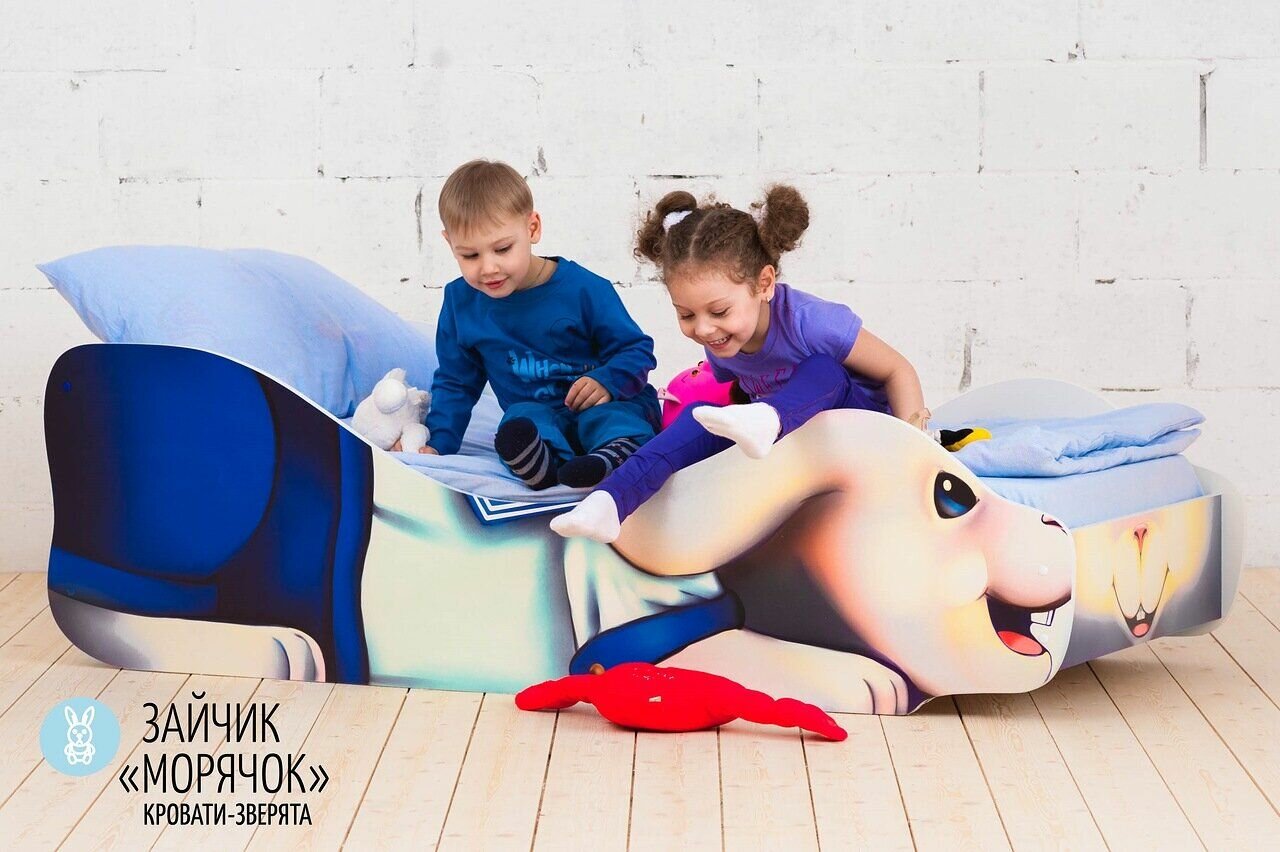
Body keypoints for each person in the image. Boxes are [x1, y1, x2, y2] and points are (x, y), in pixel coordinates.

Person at [551, 185, 930, 541]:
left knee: (823, 369)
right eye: (686, 315)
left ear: (764, 284)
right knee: (698, 416)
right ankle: (610, 502)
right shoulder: (722, 343)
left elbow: (898, 370)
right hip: (796, 448)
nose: (703, 329)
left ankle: (769, 418)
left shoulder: (811, 322)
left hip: (861, 431)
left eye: (719, 311)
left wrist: (915, 451)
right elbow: (734, 392)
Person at [415, 159, 661, 489]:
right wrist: (438, 444)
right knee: (519, 420)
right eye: (470, 256)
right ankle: (543, 463)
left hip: (608, 404)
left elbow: (637, 350)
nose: (488, 268)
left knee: (610, 418)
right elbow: (456, 382)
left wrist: (606, 381)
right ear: (450, 244)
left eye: (503, 249)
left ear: (532, 229)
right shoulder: (461, 303)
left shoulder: (584, 290)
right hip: (543, 421)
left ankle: (610, 457)